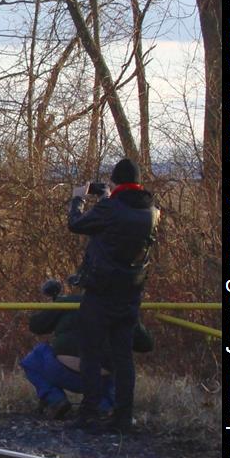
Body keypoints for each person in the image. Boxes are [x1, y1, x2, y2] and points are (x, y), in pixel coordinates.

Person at [66, 158, 160, 433]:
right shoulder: (152, 211)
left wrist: (78, 200)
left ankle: (88, 413)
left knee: (91, 353)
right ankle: (122, 417)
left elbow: (77, 225)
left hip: (100, 293)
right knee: (123, 357)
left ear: (115, 181)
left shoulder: (110, 208)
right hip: (131, 294)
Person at [20, 277, 153, 420]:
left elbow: (36, 325)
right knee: (120, 365)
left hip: (61, 370)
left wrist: (56, 306)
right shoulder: (122, 309)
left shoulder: (69, 303)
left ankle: (55, 399)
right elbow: (146, 344)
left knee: (34, 357)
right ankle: (104, 407)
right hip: (101, 379)